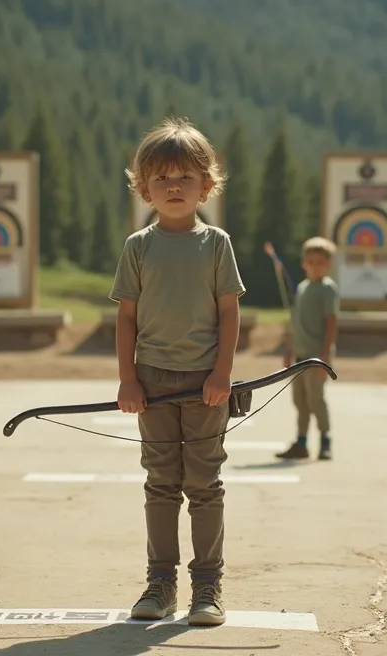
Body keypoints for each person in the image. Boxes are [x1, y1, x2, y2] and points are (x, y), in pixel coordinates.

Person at [110, 117, 246, 627]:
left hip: (205, 384)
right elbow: (127, 318)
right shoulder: (137, 247)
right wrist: (128, 379)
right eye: (161, 178)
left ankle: (207, 587)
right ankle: (159, 583)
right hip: (152, 382)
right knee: (161, 483)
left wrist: (222, 373)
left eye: (185, 177)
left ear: (206, 186)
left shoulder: (216, 243)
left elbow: (229, 312)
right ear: (143, 187)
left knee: (205, 484)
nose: (173, 187)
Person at [275, 236, 339, 461]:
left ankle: (325, 440)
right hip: (300, 355)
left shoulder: (327, 290)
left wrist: (326, 355)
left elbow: (331, 323)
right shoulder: (302, 288)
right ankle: (301, 442)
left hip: (316, 356)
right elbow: (295, 323)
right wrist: (288, 350)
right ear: (304, 263)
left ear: (328, 264)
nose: (315, 266)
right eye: (310, 261)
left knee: (315, 399)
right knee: (300, 401)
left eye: (320, 262)